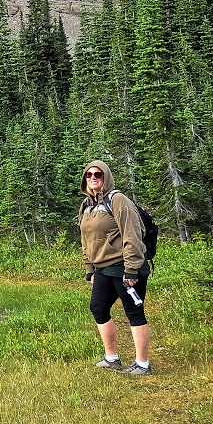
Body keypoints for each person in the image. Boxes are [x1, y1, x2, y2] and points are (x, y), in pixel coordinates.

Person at [79, 159, 152, 375]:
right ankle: (112, 358)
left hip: (124, 267)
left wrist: (131, 269)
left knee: (134, 311)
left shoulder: (118, 200)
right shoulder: (86, 206)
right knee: (98, 308)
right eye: (89, 175)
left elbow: (133, 235)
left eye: (98, 174)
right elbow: (85, 240)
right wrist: (89, 269)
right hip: (102, 269)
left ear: (106, 177)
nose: (93, 178)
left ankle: (142, 364)